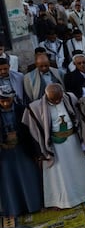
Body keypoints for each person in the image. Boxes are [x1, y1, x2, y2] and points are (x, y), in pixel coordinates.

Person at [23, 84, 85, 209]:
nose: (57, 101)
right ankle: (61, 201)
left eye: (59, 98)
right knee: (59, 173)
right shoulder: (36, 107)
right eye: (53, 99)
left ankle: (84, 195)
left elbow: (79, 114)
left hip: (72, 141)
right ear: (46, 96)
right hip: (54, 145)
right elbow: (31, 127)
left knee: (76, 168)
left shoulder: (70, 98)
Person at [0, 87, 42, 217]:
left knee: (28, 178)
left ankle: (33, 206)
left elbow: (32, 131)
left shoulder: (22, 109)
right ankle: (14, 209)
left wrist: (36, 152)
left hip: (23, 150)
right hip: (4, 154)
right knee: (8, 181)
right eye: (2, 101)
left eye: (8, 100)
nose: (5, 103)